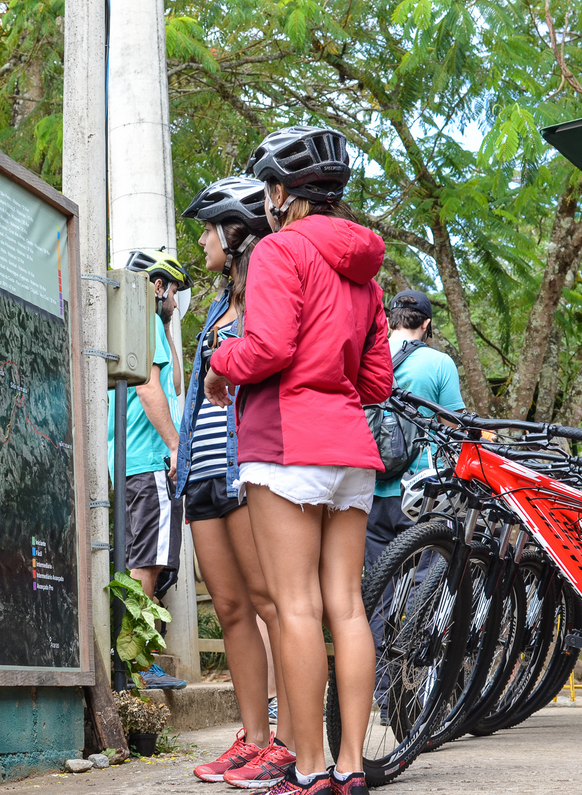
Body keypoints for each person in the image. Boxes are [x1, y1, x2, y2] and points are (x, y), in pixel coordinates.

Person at [206, 126, 391, 795]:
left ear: (285, 191)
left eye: (269, 187)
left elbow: (269, 347)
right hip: (350, 451)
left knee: (293, 607)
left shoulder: (280, 251)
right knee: (346, 606)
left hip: (287, 443)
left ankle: (307, 769)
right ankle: (350, 767)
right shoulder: (366, 274)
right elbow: (375, 383)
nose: (267, 199)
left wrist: (219, 363)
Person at [173, 177, 293, 784]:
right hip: (202, 469)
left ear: (235, 231)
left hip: (249, 469)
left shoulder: (269, 297)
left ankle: (293, 740)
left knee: (273, 604)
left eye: (207, 229)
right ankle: (252, 737)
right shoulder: (218, 308)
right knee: (230, 608)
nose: (200, 242)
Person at [106, 249, 190, 635]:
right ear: (158, 286)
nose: (175, 301)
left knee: (134, 560)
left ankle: (129, 661)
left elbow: (173, 384)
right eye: (173, 292)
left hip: (127, 463)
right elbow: (151, 389)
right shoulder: (147, 324)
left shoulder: (135, 326)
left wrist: (167, 321)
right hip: (151, 460)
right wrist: (175, 445)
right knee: (148, 563)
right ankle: (135, 662)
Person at [365, 289, 465, 570]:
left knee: (377, 584)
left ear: (389, 320)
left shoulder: (367, 359)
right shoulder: (439, 363)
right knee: (424, 583)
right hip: (423, 490)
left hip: (369, 487)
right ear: (425, 324)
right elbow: (453, 430)